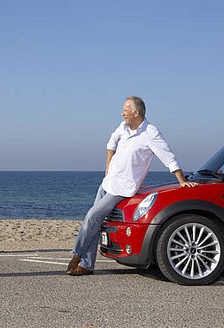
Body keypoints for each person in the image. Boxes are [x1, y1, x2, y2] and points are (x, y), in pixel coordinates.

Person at [67, 96, 197, 276]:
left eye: (125, 111)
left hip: (122, 188)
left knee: (91, 217)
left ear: (136, 113)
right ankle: (87, 265)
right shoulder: (123, 127)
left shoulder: (151, 133)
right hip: (107, 183)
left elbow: (168, 157)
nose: (122, 114)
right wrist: (108, 170)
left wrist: (181, 180)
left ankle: (76, 255)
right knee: (94, 223)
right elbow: (111, 144)